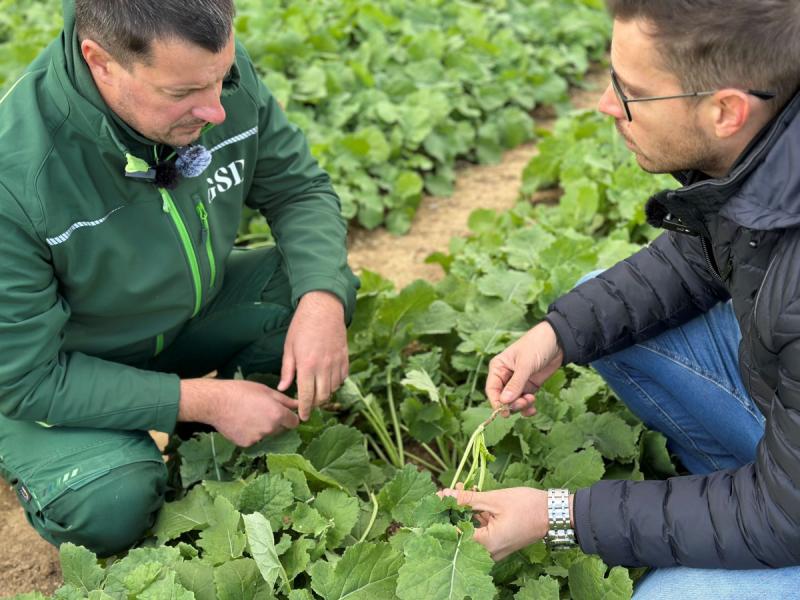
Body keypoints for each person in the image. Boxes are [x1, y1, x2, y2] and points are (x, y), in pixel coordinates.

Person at [443, 1, 800, 598]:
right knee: (597, 311)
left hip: (789, 511)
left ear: (726, 110)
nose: (607, 105)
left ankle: (732, 508)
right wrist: (557, 335)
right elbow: (705, 255)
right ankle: (727, 493)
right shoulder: (771, 146)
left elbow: (785, 518)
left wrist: (559, 516)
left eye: (630, 92)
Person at [0, 0, 359, 557]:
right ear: (101, 62)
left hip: (181, 321)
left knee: (312, 286)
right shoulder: (16, 174)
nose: (216, 109)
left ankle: (212, 451)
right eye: (182, 94)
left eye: (223, 78)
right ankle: (58, 458)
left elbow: (299, 190)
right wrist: (202, 398)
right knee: (110, 503)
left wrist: (320, 302)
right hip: (56, 370)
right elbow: (26, 378)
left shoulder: (206, 75)